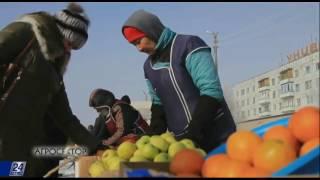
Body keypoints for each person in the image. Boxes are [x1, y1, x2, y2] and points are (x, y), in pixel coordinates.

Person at [0, 3, 102, 177]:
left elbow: (65, 117)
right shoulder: (25, 33)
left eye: (74, 47)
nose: (70, 49)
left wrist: (95, 146)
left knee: (11, 173)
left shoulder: (53, 69)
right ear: (59, 31)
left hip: (19, 146)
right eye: (70, 42)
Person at [121, 10, 237, 152]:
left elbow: (211, 91)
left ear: (151, 31)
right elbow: (158, 104)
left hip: (218, 137)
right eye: (134, 45)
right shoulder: (148, 67)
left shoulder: (189, 45)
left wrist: (194, 132)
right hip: (184, 145)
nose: (139, 48)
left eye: (139, 41)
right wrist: (150, 138)